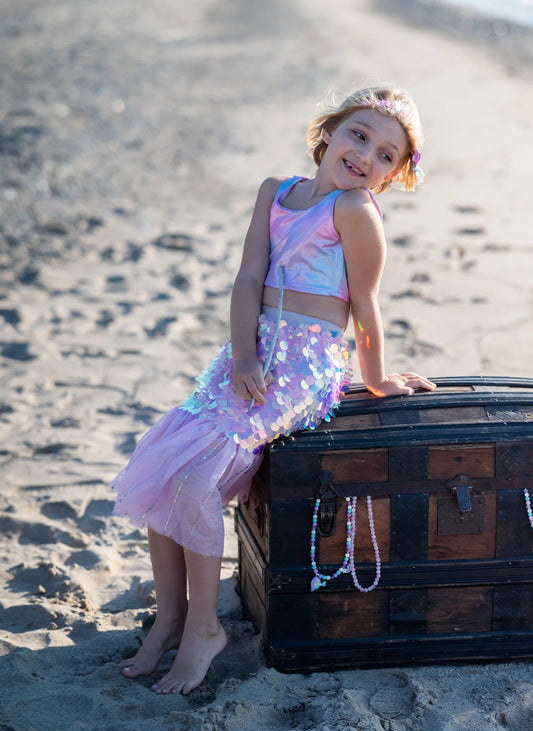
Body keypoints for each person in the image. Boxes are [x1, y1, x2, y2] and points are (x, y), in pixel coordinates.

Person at [111, 84, 437, 695]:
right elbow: (248, 278)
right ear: (330, 131)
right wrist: (241, 356)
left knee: (195, 478)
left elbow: (365, 304)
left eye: (386, 155)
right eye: (359, 135)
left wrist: (373, 379)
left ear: (392, 176)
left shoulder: (355, 211)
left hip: (305, 365)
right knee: (162, 464)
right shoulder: (275, 192)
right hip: (252, 354)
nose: (366, 155)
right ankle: (173, 615)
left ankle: (205, 627)